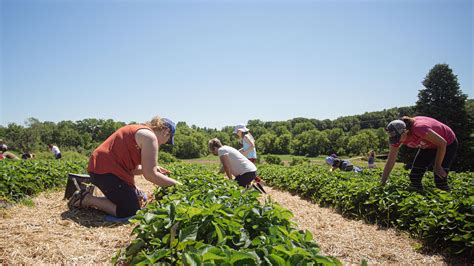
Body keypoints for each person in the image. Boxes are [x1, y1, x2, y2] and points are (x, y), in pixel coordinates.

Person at [68, 116, 181, 218]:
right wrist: (179, 186)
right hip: (106, 172)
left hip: (100, 169)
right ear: (166, 132)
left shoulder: (140, 130)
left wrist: (151, 167)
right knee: (130, 210)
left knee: (136, 198)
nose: (164, 144)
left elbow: (133, 169)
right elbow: (150, 175)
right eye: (167, 141)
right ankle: (88, 199)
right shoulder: (150, 137)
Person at [381, 116, 457, 191]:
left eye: (397, 138)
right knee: (415, 177)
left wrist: (437, 165)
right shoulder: (396, 138)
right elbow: (391, 160)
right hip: (428, 145)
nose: (396, 141)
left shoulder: (419, 128)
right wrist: (382, 182)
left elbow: (442, 143)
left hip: (447, 143)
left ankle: (448, 198)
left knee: (440, 178)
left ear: (405, 131)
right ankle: (419, 194)